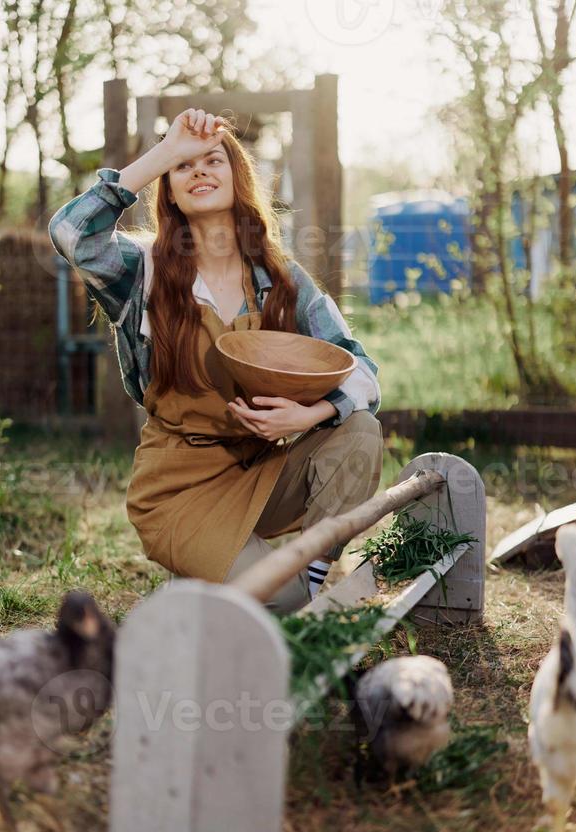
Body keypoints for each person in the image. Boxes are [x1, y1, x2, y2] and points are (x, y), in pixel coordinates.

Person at [49, 107, 383, 615]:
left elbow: (361, 370)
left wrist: (309, 415)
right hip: (179, 487)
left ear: (237, 177)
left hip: (261, 470)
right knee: (277, 604)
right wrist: (166, 150)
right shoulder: (143, 271)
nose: (198, 170)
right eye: (185, 167)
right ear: (169, 188)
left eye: (213, 160)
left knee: (358, 430)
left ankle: (312, 581)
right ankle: (240, 590)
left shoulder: (282, 279)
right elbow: (72, 232)